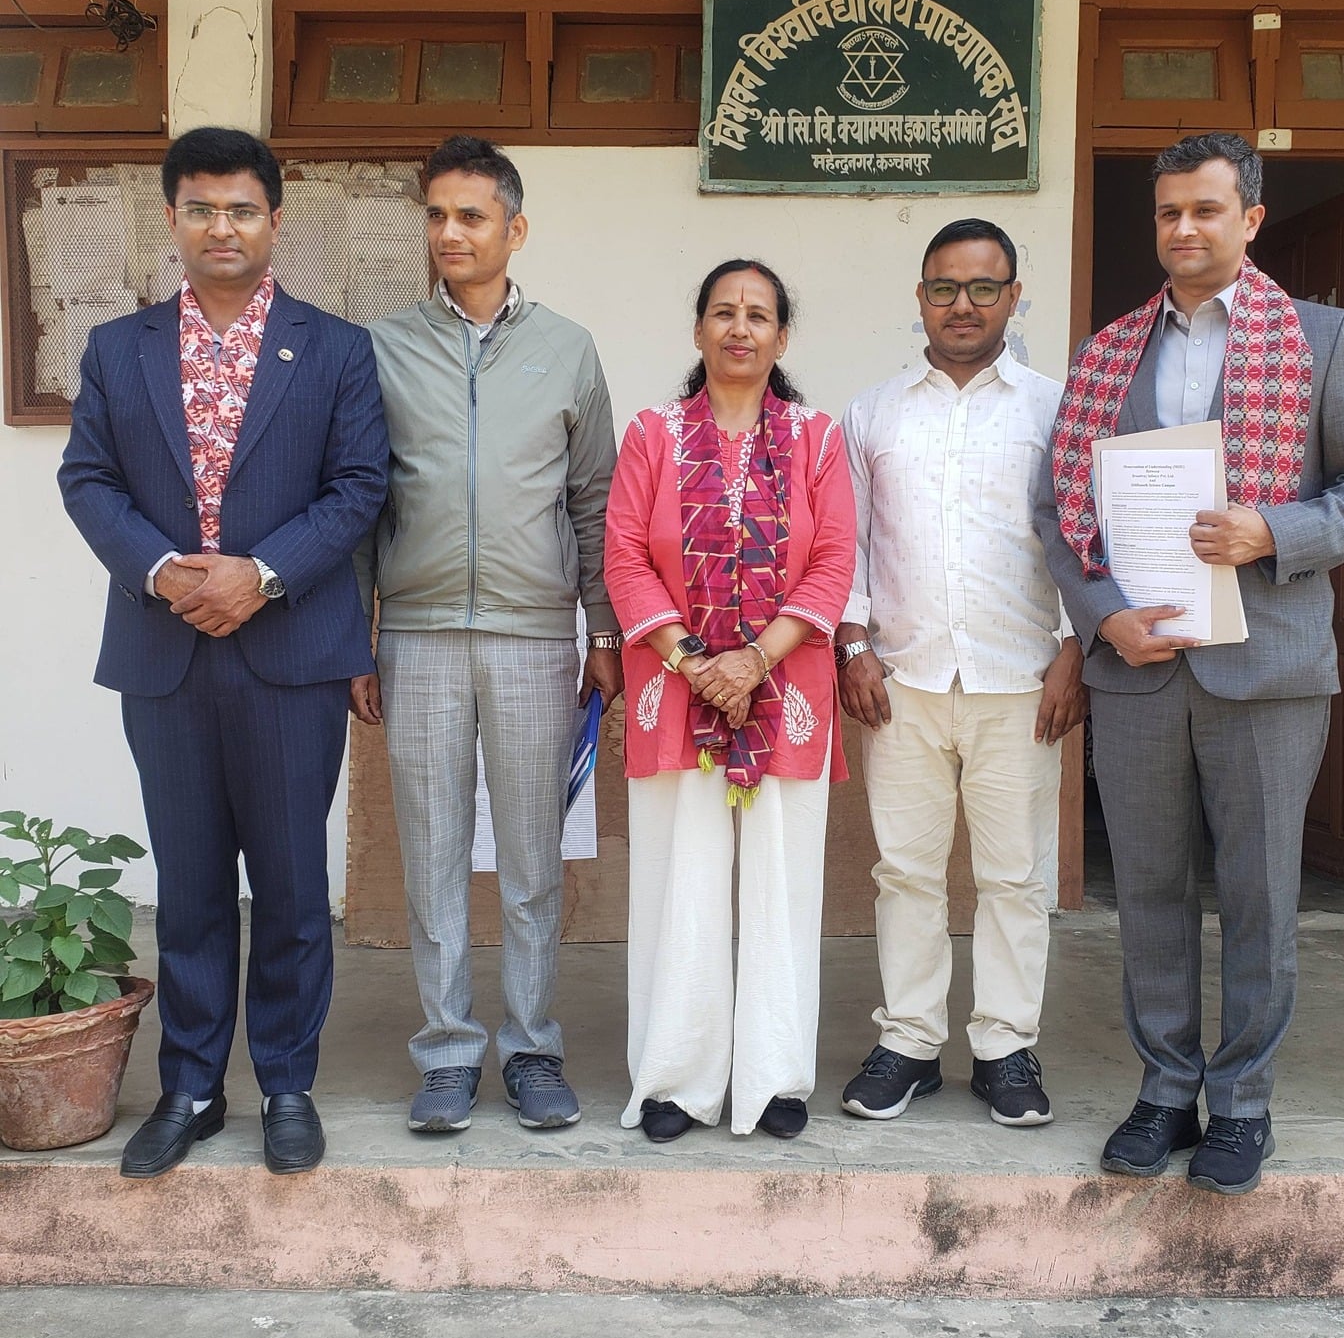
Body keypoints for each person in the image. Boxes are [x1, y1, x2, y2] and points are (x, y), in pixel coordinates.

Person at [1037, 132, 1344, 1195]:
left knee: (1258, 892)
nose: (1183, 229)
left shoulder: (1327, 339)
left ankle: (1242, 1102)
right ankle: (1164, 1088)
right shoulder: (1108, 353)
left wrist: (1272, 531)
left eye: (1205, 209)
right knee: (1149, 889)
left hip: (1269, 666)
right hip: (1141, 663)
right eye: (1167, 213)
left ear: (1250, 218)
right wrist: (1102, 618)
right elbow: (1058, 513)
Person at [57, 126, 389, 1178]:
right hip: (165, 652)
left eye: (242, 208)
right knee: (192, 881)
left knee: (292, 882)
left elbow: (360, 486)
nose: (222, 226)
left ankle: (286, 1081)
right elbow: (87, 480)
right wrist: (163, 570)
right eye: (200, 208)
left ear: (275, 219)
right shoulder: (120, 348)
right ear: (172, 219)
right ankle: (192, 1083)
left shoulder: (335, 347)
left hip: (290, 650)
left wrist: (263, 573)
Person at [351, 136, 622, 1135]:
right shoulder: (379, 347)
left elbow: (594, 498)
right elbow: (357, 502)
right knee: (429, 851)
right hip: (415, 634)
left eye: (471, 215)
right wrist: (355, 635)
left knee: (531, 854)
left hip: (532, 635)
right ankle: (448, 1048)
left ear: (514, 228)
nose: (450, 232)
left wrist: (603, 627)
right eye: (436, 214)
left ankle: (535, 1045)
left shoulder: (568, 347)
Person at [834, 219, 1086, 1127]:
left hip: (1021, 679)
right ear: (920, 298)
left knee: (1016, 876)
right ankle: (907, 1040)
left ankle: (1006, 1047)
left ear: (1015, 296)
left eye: (985, 287)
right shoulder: (873, 412)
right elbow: (848, 543)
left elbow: (1081, 541)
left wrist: (1073, 647)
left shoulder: (1056, 409)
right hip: (900, 679)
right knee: (905, 872)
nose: (964, 305)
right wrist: (851, 644)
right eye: (945, 287)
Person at [603, 261, 856, 1142]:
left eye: (759, 315)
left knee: (784, 886)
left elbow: (832, 564)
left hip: (786, 687)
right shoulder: (651, 434)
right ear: (699, 331)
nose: (740, 328)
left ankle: (776, 1076)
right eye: (723, 312)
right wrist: (694, 661)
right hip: (676, 690)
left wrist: (752, 661)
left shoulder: (819, 440)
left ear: (783, 337)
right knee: (682, 879)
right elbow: (626, 558)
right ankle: (676, 1079)